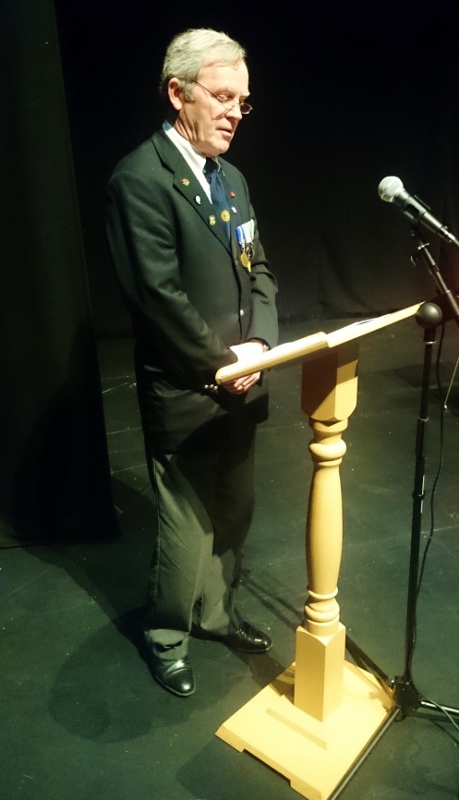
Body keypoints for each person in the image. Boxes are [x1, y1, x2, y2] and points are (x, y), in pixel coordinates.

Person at [106, 28, 278, 697]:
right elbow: (155, 294)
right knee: (186, 522)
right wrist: (219, 363)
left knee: (236, 504)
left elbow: (258, 266)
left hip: (244, 376)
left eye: (243, 100)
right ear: (178, 92)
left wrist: (260, 345)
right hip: (186, 383)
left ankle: (216, 613)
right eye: (222, 96)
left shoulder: (230, 177)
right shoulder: (139, 179)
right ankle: (166, 635)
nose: (235, 111)